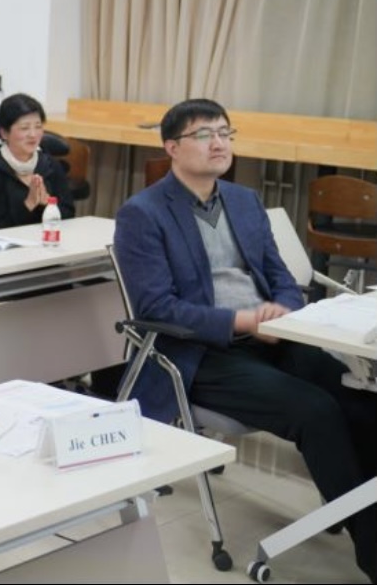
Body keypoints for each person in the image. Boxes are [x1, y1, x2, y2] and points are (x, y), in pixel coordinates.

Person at [114, 98, 376, 582]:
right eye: (203, 134)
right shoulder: (142, 214)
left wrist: (282, 315)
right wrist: (243, 321)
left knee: (362, 400)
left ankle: (354, 507)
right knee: (316, 410)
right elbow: (157, 309)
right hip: (201, 353)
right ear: (171, 147)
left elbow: (282, 280)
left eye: (225, 132)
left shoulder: (245, 201)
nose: (218, 143)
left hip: (273, 338)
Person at [0, 93, 75, 231]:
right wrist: (29, 204)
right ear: (4, 133)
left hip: (42, 241)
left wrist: (47, 204)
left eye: (38, 126)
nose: (33, 134)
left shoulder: (50, 165)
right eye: (24, 128)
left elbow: (70, 214)